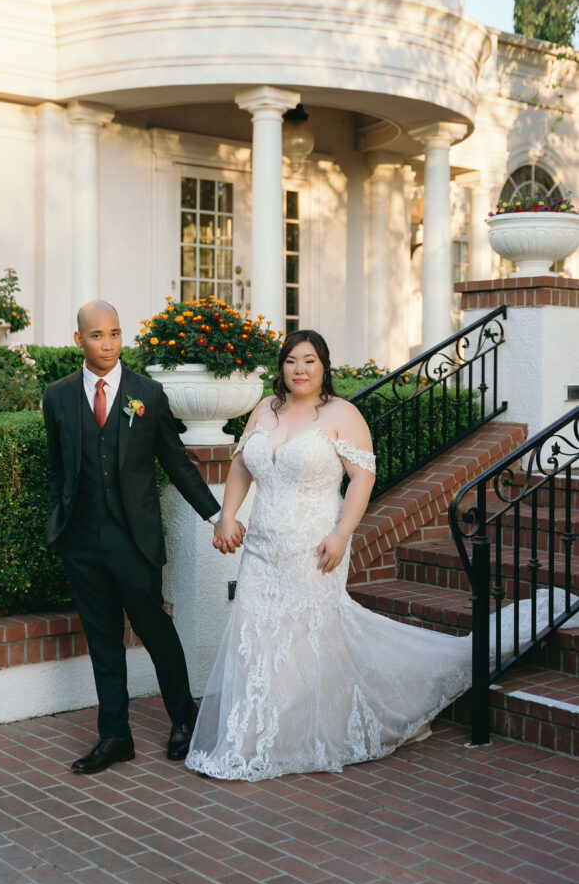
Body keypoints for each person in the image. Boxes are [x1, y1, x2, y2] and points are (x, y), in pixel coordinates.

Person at [186, 329, 477, 781]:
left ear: (324, 367)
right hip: (262, 547)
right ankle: (256, 738)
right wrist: (227, 515)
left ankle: (307, 733)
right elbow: (242, 465)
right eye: (290, 361)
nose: (299, 370)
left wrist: (343, 534)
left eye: (309, 361)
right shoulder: (265, 408)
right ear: (281, 367)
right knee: (257, 636)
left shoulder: (343, 414)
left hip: (315, 545)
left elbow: (361, 479)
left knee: (307, 637)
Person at [43, 300, 243, 774]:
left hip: (134, 540)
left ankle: (184, 720)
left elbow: (177, 463)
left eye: (114, 333)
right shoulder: (57, 395)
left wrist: (217, 515)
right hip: (81, 540)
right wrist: (60, 521)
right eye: (96, 335)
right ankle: (115, 736)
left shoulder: (146, 394)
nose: (107, 344)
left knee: (155, 630)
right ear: (79, 340)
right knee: (102, 638)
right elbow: (57, 467)